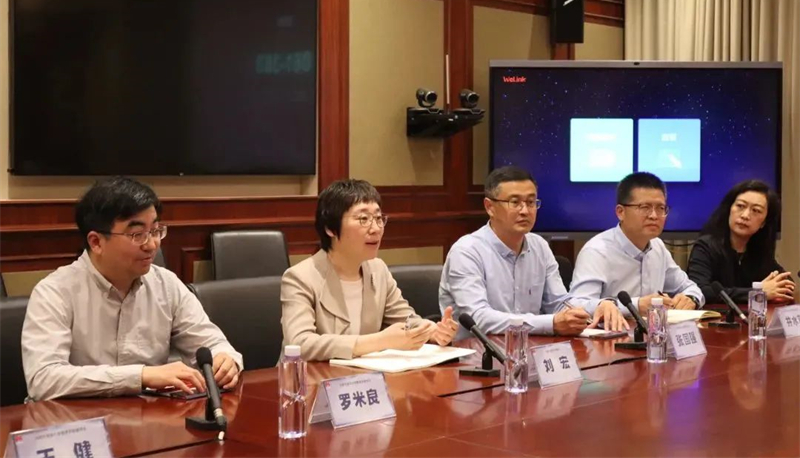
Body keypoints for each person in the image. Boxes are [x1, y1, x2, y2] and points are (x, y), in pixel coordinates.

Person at [22, 177, 242, 402]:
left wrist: (225, 360)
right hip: (75, 420)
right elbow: (43, 379)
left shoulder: (166, 285)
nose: (152, 244)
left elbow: (212, 343)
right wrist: (141, 376)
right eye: (137, 234)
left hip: (147, 417)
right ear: (96, 242)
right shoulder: (54, 292)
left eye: (155, 230)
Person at [281, 179, 458, 361]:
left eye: (379, 219)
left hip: (363, 376)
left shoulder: (377, 270)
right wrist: (379, 341)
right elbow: (300, 344)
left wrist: (432, 331)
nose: (376, 229)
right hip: (312, 377)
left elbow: (406, 320)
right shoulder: (300, 277)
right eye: (363, 219)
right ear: (330, 228)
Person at [439, 166, 592, 339]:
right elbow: (479, 318)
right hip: (478, 352)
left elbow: (558, 304)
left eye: (531, 202)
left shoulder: (539, 246)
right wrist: (551, 324)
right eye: (515, 202)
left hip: (531, 348)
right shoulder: (466, 252)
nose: (525, 211)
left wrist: (597, 307)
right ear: (490, 207)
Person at [569, 172, 704, 330]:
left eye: (660, 208)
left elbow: (690, 287)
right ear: (620, 212)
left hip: (653, 338)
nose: (654, 216)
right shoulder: (597, 251)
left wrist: (691, 298)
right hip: (608, 339)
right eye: (644, 207)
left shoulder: (657, 247)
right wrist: (636, 305)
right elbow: (576, 305)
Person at [688, 180, 794, 304]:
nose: (745, 215)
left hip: (748, 316)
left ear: (764, 223)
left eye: (756, 210)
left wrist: (779, 288)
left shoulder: (758, 251)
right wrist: (757, 292)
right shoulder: (705, 246)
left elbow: (786, 284)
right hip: (713, 316)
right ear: (729, 209)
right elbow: (699, 290)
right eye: (740, 206)